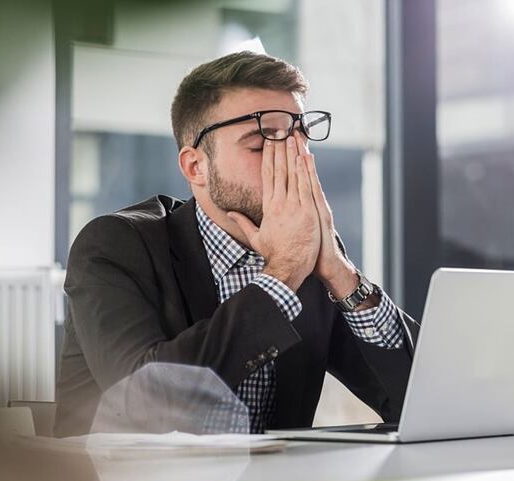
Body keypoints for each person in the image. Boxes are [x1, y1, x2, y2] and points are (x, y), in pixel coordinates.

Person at [53, 51, 418, 437]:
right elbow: (148, 404)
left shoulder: (308, 252)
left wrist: (344, 278)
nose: (292, 162)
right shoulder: (114, 245)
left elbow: (416, 399)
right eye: (262, 145)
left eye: (299, 140)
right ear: (196, 167)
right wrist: (282, 276)